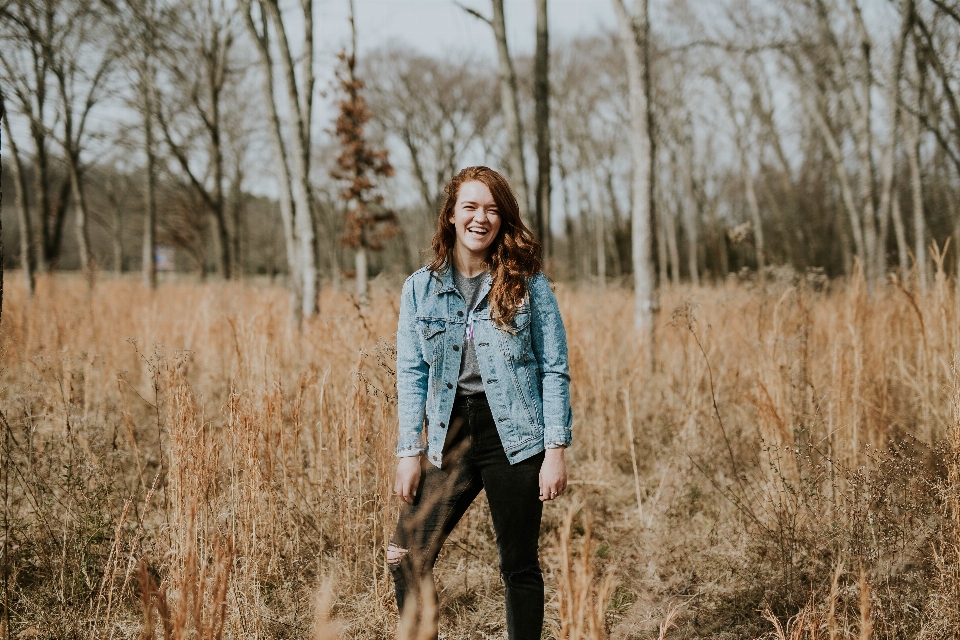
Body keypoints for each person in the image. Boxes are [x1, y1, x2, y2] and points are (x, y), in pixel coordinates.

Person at [388, 166, 572, 639]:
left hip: (514, 432)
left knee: (518, 566)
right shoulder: (420, 288)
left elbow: (554, 368)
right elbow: (411, 373)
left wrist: (555, 452)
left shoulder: (528, 284)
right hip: (450, 432)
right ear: (451, 215)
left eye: (492, 209)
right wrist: (408, 451)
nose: (480, 218)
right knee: (406, 555)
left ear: (502, 219)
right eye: (470, 206)